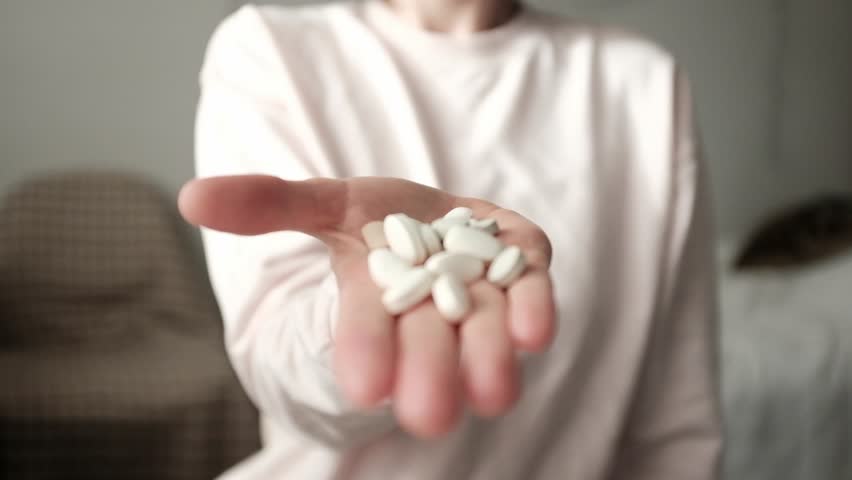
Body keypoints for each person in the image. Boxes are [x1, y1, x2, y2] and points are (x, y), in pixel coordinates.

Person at [178, 0, 723, 478]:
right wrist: (356, 312)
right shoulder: (270, 49)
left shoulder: (643, 82)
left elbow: (676, 430)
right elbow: (282, 377)